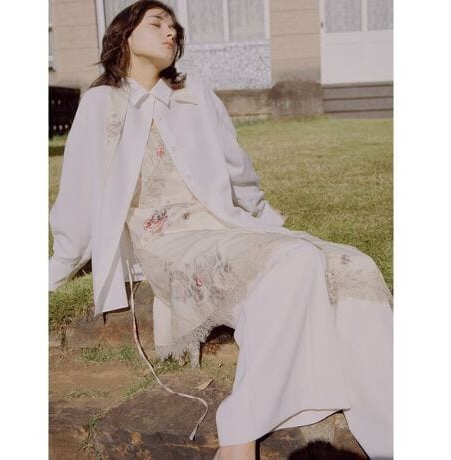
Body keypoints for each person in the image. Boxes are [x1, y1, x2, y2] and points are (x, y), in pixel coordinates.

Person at [48, 1, 393, 459]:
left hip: (226, 227)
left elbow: (237, 171)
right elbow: (78, 195)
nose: (171, 32)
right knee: (296, 261)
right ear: (123, 35)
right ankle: (240, 429)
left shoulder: (195, 94)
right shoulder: (101, 103)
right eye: (157, 23)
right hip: (169, 244)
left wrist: (266, 221)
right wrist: (58, 267)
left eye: (174, 26)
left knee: (354, 264)